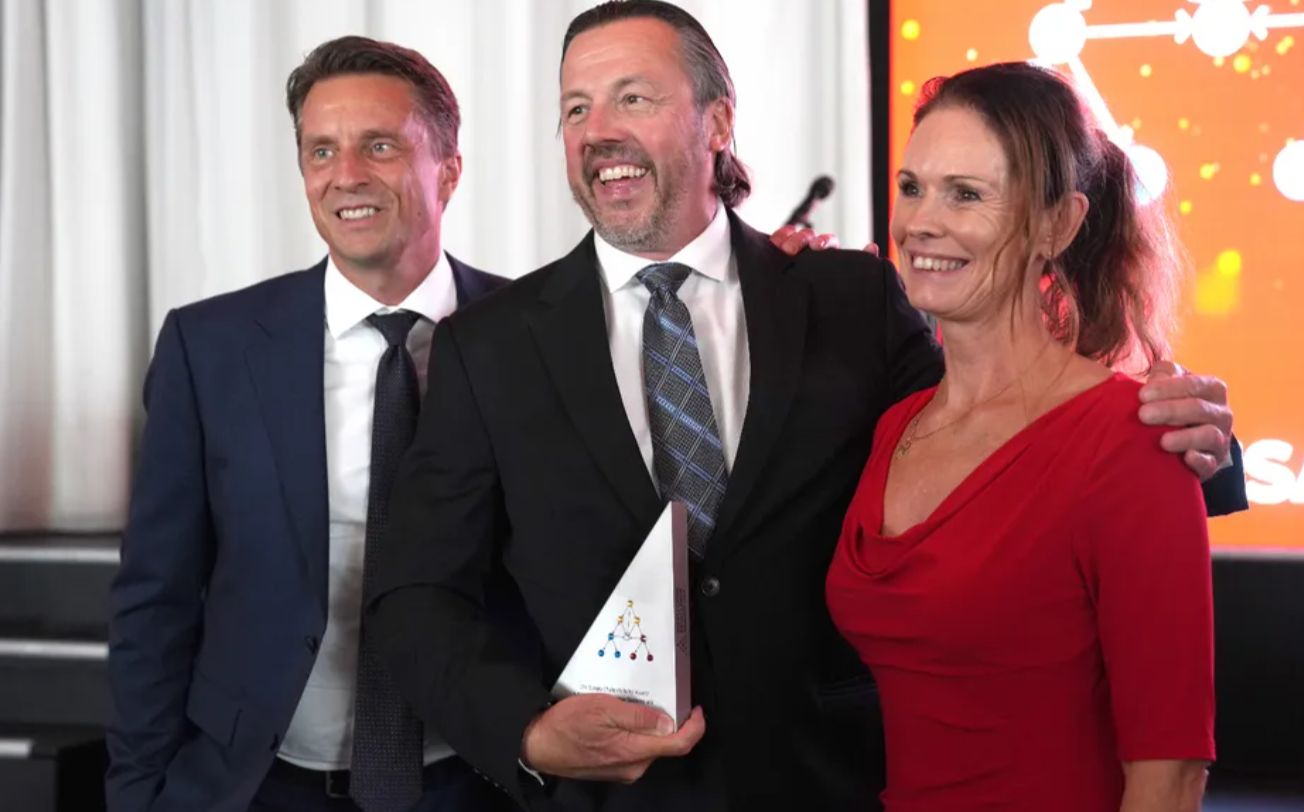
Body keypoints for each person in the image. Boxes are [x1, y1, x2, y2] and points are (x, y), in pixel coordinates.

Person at [367, 3, 1244, 811]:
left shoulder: (851, 301)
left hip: (838, 789)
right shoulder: (488, 346)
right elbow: (415, 596)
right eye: (575, 108)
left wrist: (1191, 440)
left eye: (633, 97)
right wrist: (528, 732)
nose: (599, 131)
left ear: (718, 122)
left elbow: (1011, 443)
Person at [106, 36, 511, 812]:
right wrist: (139, 795)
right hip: (255, 786)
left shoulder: (532, 332)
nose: (345, 175)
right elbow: (155, 597)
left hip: (477, 784)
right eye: (321, 151)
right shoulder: (209, 348)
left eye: (380, 146)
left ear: (449, 171)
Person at [826, 63, 1216, 812]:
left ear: (1057, 225)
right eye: (912, 187)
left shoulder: (1132, 442)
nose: (921, 223)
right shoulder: (896, 426)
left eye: (966, 194)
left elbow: (1169, 776)